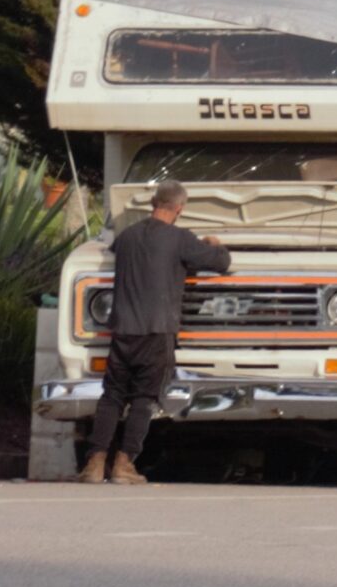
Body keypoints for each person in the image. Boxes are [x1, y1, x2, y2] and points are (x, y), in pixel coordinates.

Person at [79, 183, 230, 485]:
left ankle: (94, 465)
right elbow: (221, 263)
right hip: (157, 330)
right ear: (180, 208)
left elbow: (116, 250)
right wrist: (215, 245)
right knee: (144, 399)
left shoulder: (127, 237)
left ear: (153, 202)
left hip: (123, 330)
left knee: (112, 396)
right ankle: (124, 464)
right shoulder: (181, 239)